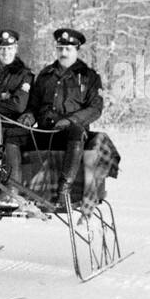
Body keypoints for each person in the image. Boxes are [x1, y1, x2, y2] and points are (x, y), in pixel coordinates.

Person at [23, 27, 104, 203]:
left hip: (71, 135)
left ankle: (64, 189)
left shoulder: (89, 77)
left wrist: (70, 120)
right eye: (60, 48)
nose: (63, 52)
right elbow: (34, 105)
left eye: (68, 49)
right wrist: (29, 116)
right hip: (46, 132)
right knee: (16, 135)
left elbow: (95, 108)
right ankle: (17, 189)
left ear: (77, 50)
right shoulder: (45, 75)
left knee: (75, 131)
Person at [0, 29, 33, 208]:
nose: (5, 53)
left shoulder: (24, 74)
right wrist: (4, 96)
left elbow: (19, 105)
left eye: (9, 49)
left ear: (16, 49)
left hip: (16, 124)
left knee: (11, 140)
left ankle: (12, 193)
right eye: (2, 49)